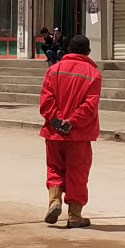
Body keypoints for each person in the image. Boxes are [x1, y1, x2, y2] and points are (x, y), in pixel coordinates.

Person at [38, 34, 102, 228]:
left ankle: (54, 201)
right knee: (77, 172)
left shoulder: (53, 70)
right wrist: (71, 122)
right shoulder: (93, 74)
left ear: (67, 50)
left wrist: (58, 121)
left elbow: (46, 102)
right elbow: (89, 107)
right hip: (78, 135)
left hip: (54, 133)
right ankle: (74, 216)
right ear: (88, 52)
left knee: (54, 168)